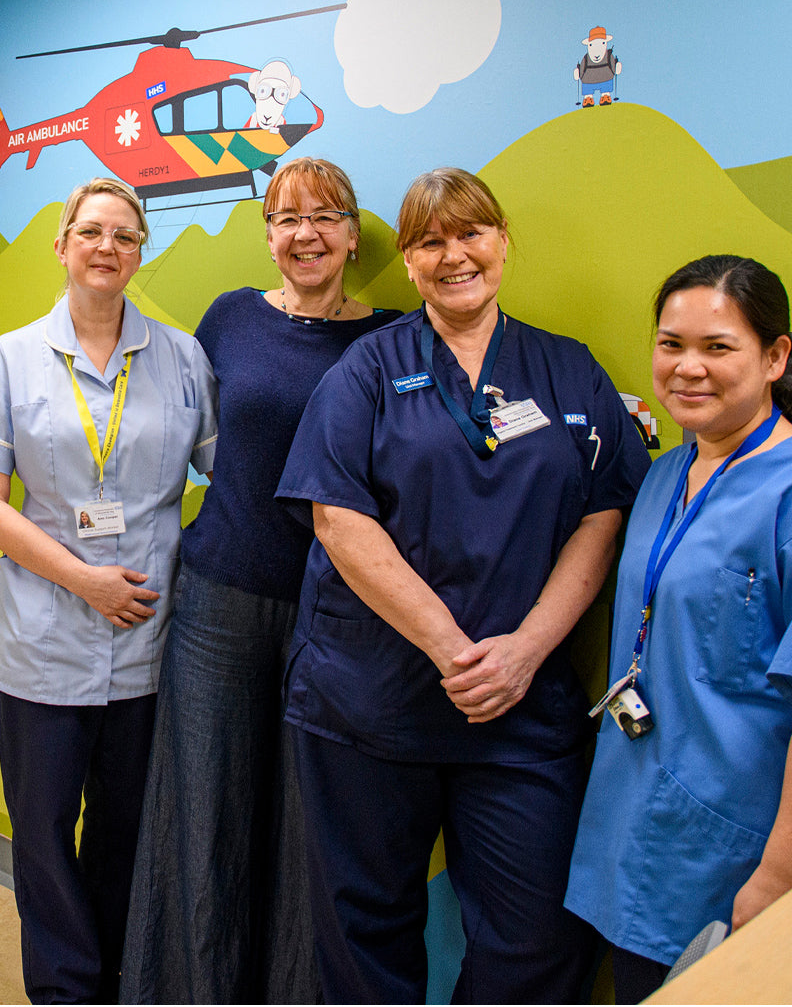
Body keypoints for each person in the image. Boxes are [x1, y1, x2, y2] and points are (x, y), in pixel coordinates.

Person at [275, 167, 652, 1004]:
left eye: (471, 233)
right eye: (430, 241)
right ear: (408, 262)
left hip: (520, 707)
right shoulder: (367, 370)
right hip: (371, 699)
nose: (455, 256)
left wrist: (522, 654)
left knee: (540, 938)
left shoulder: (567, 370)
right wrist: (455, 652)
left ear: (503, 240)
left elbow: (606, 512)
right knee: (364, 928)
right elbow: (337, 519)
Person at [121, 158, 393, 1003]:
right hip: (220, 596)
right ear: (267, 233)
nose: (304, 234)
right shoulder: (230, 321)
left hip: (336, 611)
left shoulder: (389, 343)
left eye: (324, 217)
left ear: (353, 235)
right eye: (285, 218)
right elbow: (167, 436)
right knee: (203, 814)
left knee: (310, 826)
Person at [0, 176, 217, 1004]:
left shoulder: (183, 357)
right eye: (92, 231)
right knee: (43, 834)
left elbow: (228, 476)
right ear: (63, 244)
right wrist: (84, 581)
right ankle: (66, 992)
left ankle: (124, 977)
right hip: (44, 643)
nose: (108, 247)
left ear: (142, 253)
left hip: (149, 640)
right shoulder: (14, 357)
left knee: (126, 830)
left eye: (125, 236)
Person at [565, 255, 792, 1003]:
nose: (688, 368)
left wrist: (779, 878)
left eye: (718, 347)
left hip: (744, 853)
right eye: (671, 345)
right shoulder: (664, 474)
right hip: (637, 832)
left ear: (775, 357)